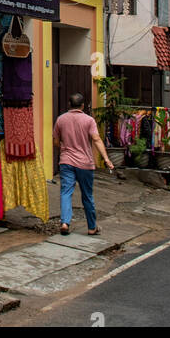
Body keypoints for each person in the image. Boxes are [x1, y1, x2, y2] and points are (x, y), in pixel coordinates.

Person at [53, 92, 114, 236]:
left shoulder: (61, 119)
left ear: (69, 104)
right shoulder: (89, 120)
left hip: (66, 161)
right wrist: (106, 159)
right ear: (82, 105)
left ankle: (65, 222)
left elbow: (55, 141)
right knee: (87, 195)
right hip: (85, 163)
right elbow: (96, 139)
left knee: (66, 192)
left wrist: (64, 148)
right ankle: (92, 227)